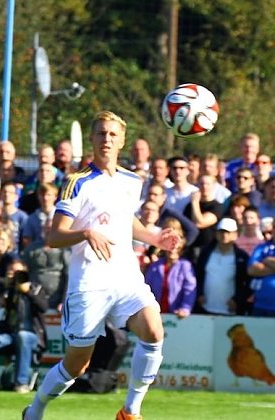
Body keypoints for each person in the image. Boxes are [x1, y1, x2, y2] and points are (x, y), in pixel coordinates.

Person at [22, 111, 179, 420]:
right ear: (92, 140)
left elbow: (124, 220)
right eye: (101, 134)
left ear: (122, 141)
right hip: (89, 283)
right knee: (75, 365)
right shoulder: (77, 182)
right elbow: (54, 236)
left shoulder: (132, 180)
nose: (106, 139)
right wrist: (86, 232)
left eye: (112, 134)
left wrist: (154, 237)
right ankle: (36, 408)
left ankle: (130, 412)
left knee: (153, 330)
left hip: (126, 277)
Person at [0, 268, 48, 393]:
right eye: (12, 273)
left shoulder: (36, 288)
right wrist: (3, 287)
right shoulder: (9, 290)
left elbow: (43, 307)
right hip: (9, 336)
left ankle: (21, 383)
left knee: (22, 335)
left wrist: (28, 292)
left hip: (32, 336)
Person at [194, 218, 252, 316]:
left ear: (235, 234)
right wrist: (199, 294)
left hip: (230, 311)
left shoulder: (242, 256)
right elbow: (197, 275)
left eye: (228, 232)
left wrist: (237, 300)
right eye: (221, 232)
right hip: (205, 309)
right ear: (216, 233)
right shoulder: (205, 253)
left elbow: (247, 282)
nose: (224, 235)